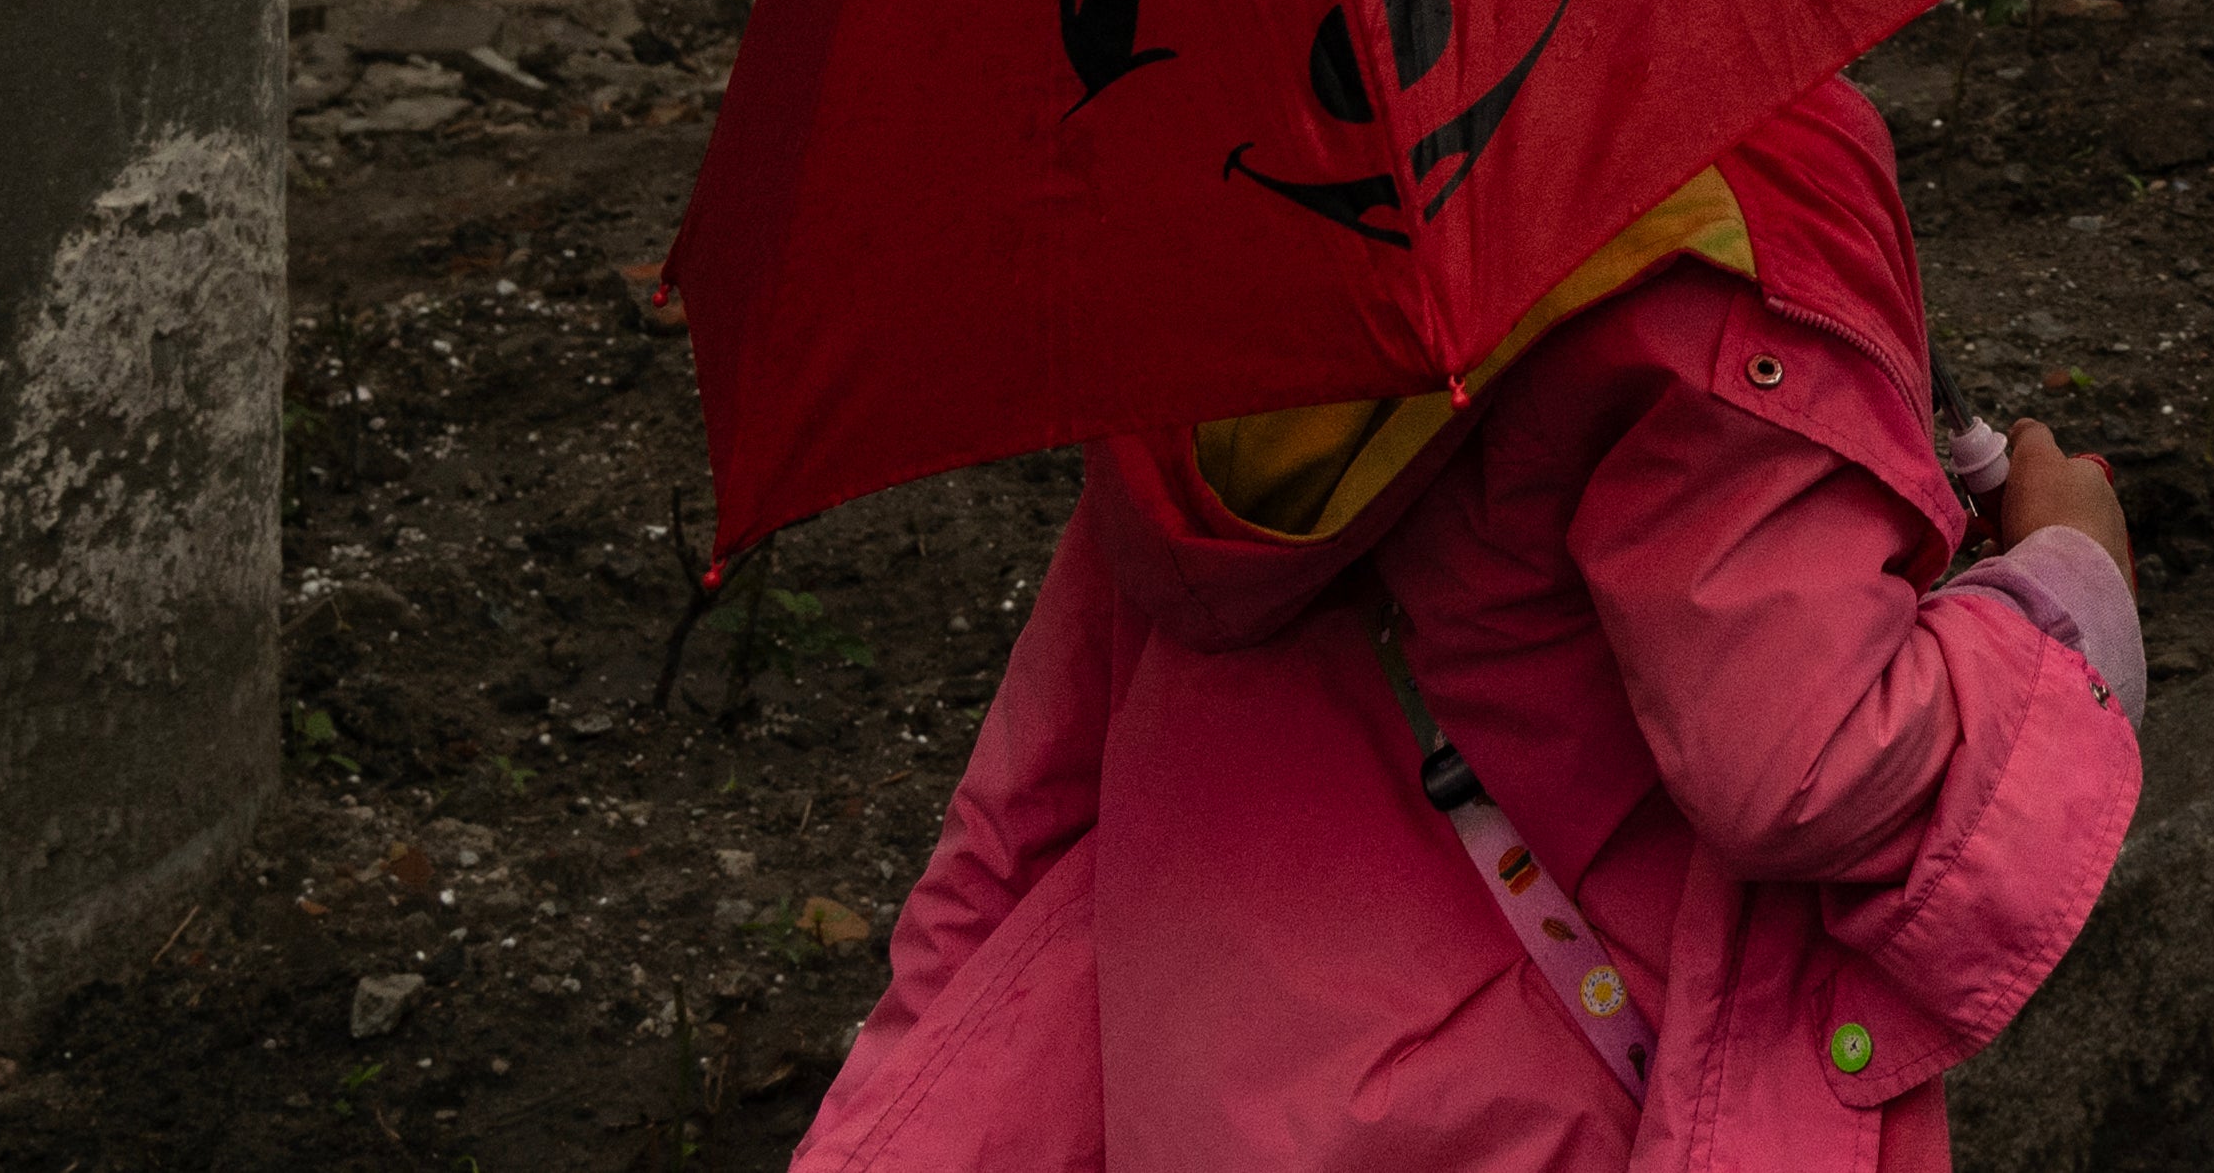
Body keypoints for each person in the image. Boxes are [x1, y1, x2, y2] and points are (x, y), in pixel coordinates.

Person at [801, 69, 2140, 1169]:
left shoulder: (1208, 254)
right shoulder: (1730, 207)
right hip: (1555, 1110)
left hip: (1213, 1087)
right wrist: (2064, 590)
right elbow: (1805, 763)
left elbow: (1032, 783)